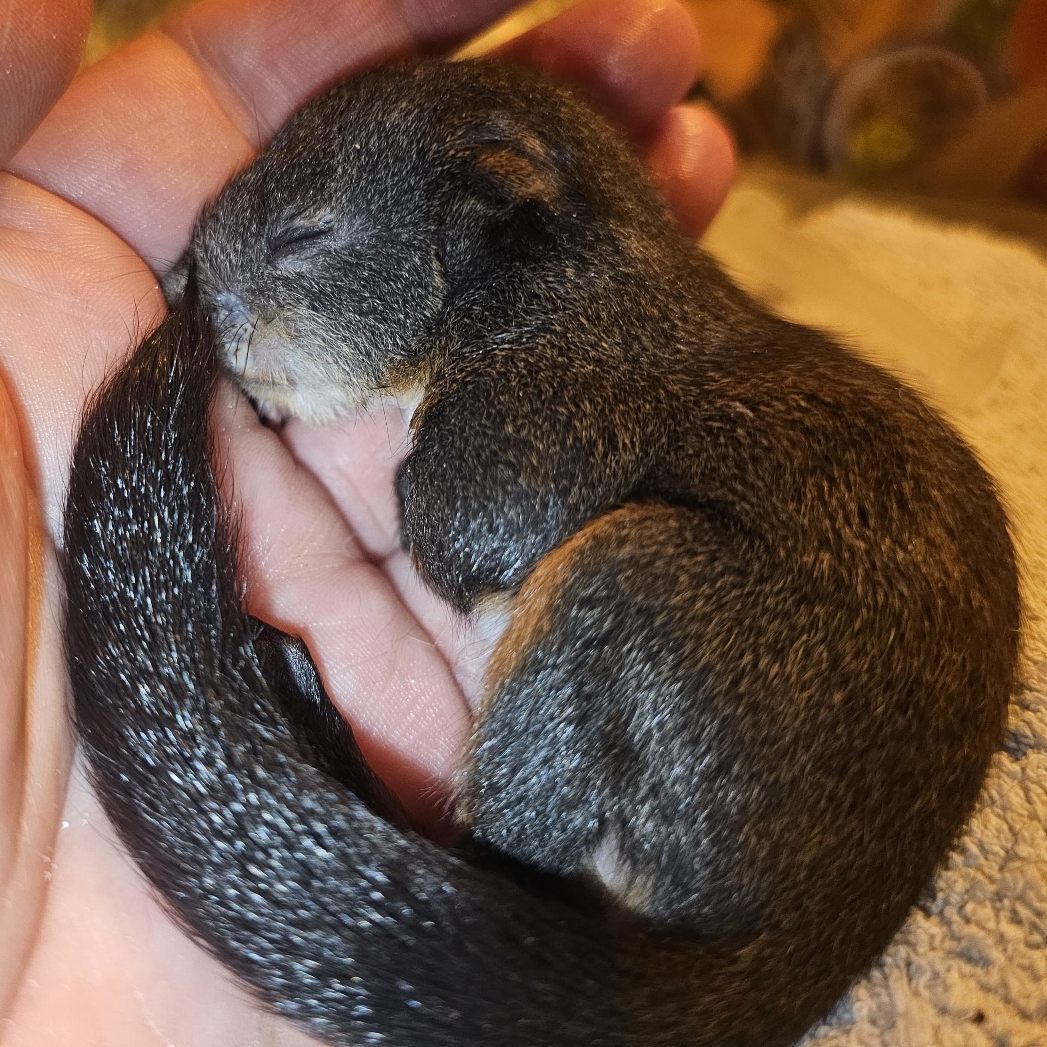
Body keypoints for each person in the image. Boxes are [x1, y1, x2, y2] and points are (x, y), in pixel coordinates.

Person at [0, 0, 734, 1042]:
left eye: (298, 240)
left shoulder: (544, 368)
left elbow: (468, 537)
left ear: (485, 212)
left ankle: (514, 875)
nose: (227, 314)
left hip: (703, 858)